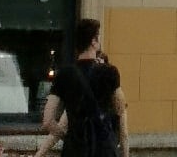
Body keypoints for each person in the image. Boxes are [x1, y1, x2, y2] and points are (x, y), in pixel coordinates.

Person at [42, 20, 127, 157]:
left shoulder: (64, 74)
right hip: (103, 149)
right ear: (93, 41)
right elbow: (120, 107)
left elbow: (48, 121)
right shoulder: (109, 72)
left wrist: (68, 137)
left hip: (74, 150)